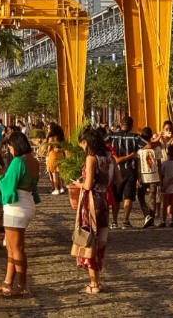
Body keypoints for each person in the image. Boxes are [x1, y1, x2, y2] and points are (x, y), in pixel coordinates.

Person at [0, 131, 40, 296]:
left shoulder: (18, 161)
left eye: (10, 147)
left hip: (16, 207)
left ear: (16, 145)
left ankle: (22, 285)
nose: (10, 151)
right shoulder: (34, 161)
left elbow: (8, 186)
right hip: (27, 203)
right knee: (12, 247)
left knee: (16, 249)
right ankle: (7, 282)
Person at [74, 125, 115, 294]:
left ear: (87, 142)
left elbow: (88, 184)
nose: (82, 147)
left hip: (90, 203)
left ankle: (94, 283)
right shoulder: (107, 157)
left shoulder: (91, 159)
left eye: (82, 144)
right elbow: (116, 178)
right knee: (99, 243)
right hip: (103, 201)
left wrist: (79, 184)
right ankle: (97, 280)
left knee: (89, 240)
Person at [106, 115, 146, 229]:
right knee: (128, 196)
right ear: (132, 126)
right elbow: (147, 145)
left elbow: (101, 143)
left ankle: (114, 221)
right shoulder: (135, 137)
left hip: (115, 170)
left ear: (120, 124)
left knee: (116, 197)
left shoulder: (112, 136)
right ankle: (126, 220)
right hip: (130, 170)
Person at [137, 127, 162, 229]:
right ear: (151, 136)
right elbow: (159, 164)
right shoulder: (157, 147)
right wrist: (160, 176)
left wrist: (138, 177)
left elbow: (138, 164)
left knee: (141, 196)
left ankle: (146, 215)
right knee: (152, 198)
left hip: (143, 176)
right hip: (154, 175)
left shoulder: (139, 147)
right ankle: (150, 219)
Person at [159, 144, 173, 228]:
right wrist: (169, 183)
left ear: (167, 153)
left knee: (164, 205)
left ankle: (164, 220)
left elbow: (161, 175)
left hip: (165, 187)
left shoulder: (164, 164)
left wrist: (163, 185)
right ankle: (172, 220)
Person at [46, 122, 66, 195]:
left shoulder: (51, 138)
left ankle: (56, 189)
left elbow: (49, 148)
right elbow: (65, 147)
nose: (47, 129)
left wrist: (46, 152)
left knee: (54, 172)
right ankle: (61, 188)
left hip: (53, 155)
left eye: (49, 128)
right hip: (60, 155)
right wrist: (59, 149)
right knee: (59, 172)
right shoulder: (61, 137)